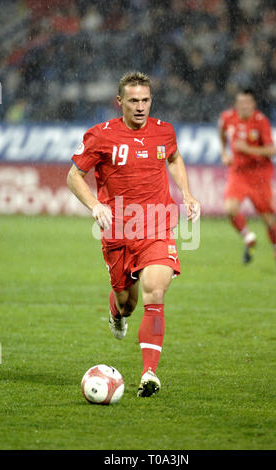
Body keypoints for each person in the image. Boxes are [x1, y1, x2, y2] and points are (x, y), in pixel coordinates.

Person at [67, 71, 200, 397]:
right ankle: (116, 312)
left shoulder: (164, 131)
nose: (140, 107)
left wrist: (187, 193)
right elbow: (73, 176)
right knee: (127, 304)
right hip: (118, 231)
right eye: (134, 101)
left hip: (157, 226)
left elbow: (174, 157)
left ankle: (149, 374)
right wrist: (95, 205)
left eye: (145, 100)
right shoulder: (101, 136)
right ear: (120, 102)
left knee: (156, 291)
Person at [218, 88, 276, 267]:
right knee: (230, 209)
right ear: (236, 104)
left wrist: (247, 148)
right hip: (238, 173)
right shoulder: (228, 117)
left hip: (259, 176)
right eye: (241, 103)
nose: (244, 106)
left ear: (253, 104)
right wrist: (224, 152)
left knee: (269, 221)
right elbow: (221, 129)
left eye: (247, 103)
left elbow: (272, 151)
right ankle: (248, 238)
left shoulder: (261, 122)